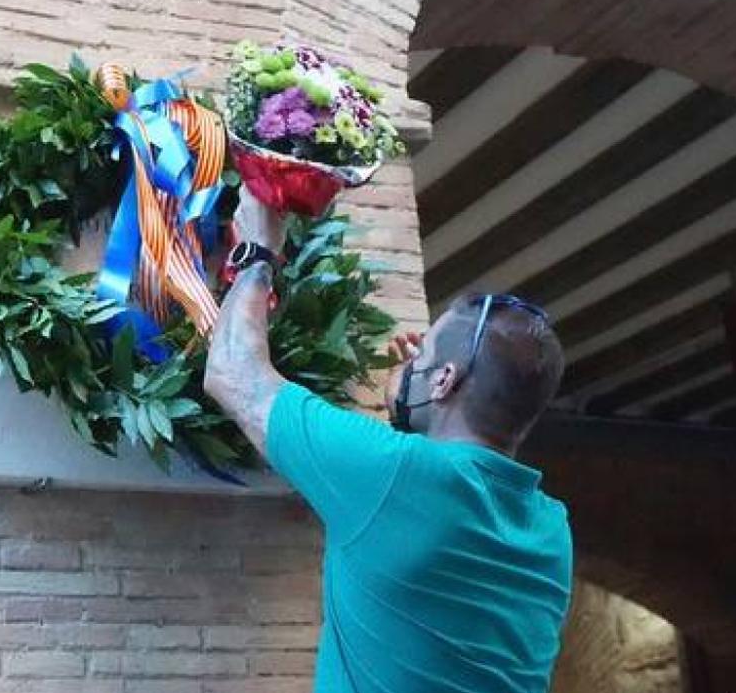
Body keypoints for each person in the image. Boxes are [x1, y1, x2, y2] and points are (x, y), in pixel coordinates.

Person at [203, 188, 573, 693]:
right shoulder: (552, 532)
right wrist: (414, 407)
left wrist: (259, 252)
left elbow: (231, 372)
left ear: (444, 381)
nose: (410, 359)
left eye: (423, 356)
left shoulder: (394, 476)